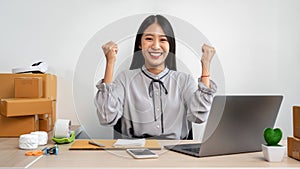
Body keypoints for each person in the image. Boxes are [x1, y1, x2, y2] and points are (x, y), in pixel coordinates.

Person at [94, 15, 217, 139]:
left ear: (170, 45)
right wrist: (110, 62)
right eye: (149, 39)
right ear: (140, 44)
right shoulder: (125, 79)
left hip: (176, 154)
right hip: (135, 152)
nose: (156, 46)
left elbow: (199, 116)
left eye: (163, 40)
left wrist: (205, 64)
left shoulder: (184, 80)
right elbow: (106, 118)